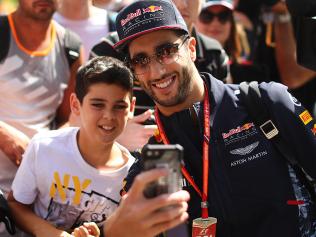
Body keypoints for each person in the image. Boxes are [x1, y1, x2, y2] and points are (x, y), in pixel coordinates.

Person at [112, 0, 316, 236]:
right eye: (141, 60)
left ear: (191, 48)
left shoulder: (265, 102)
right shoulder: (151, 164)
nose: (157, 71)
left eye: (166, 51)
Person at [7, 56, 137, 237]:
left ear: (131, 107)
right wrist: (53, 234)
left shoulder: (133, 175)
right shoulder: (44, 146)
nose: (108, 115)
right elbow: (15, 205)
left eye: (119, 106)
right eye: (97, 105)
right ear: (76, 105)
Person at [0, 0, 83, 219]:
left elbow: (72, 117)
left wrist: (45, 147)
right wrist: (3, 134)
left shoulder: (71, 47)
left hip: (37, 199)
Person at [196, 0, 268, 84]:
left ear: (231, 23)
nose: (215, 23)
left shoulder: (253, 74)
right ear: (195, 20)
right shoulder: (188, 66)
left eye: (223, 16)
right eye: (206, 16)